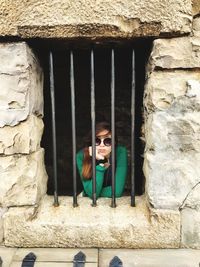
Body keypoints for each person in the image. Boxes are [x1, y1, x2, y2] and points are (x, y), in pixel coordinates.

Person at [76, 121, 127, 199]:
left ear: (114, 143)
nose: (102, 145)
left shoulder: (120, 152)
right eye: (97, 141)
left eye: (108, 141)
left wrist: (87, 192)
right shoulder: (81, 156)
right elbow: (93, 195)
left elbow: (116, 192)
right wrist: (100, 163)